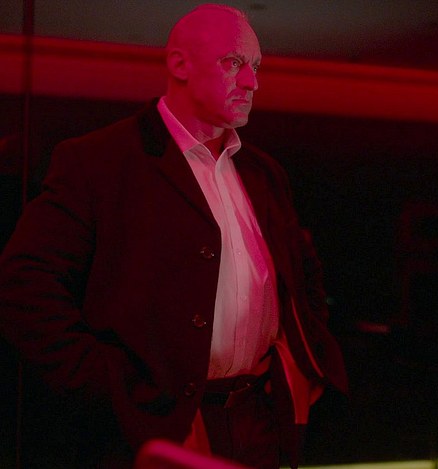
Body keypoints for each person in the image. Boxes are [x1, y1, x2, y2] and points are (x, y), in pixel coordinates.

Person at [0, 4, 347, 468]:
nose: (252, 82)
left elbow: (303, 277)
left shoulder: (264, 173)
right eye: (234, 62)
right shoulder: (100, 161)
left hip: (258, 418)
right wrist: (112, 390)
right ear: (180, 64)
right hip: (154, 424)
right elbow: (24, 287)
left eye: (256, 66)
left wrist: (303, 365)